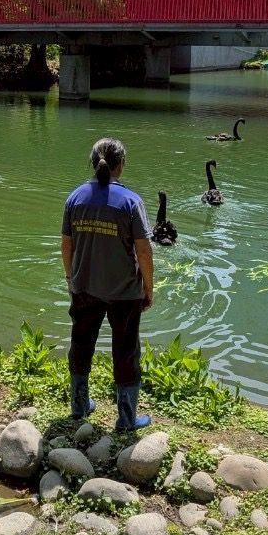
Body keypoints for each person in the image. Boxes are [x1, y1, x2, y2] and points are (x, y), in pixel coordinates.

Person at [61, 137, 154, 431]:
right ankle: (126, 419)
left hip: (84, 287)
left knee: (81, 343)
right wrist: (148, 287)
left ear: (93, 164)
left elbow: (66, 245)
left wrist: (70, 279)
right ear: (121, 165)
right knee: (126, 350)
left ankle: (79, 405)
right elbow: (143, 250)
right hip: (124, 292)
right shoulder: (130, 202)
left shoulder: (75, 198)